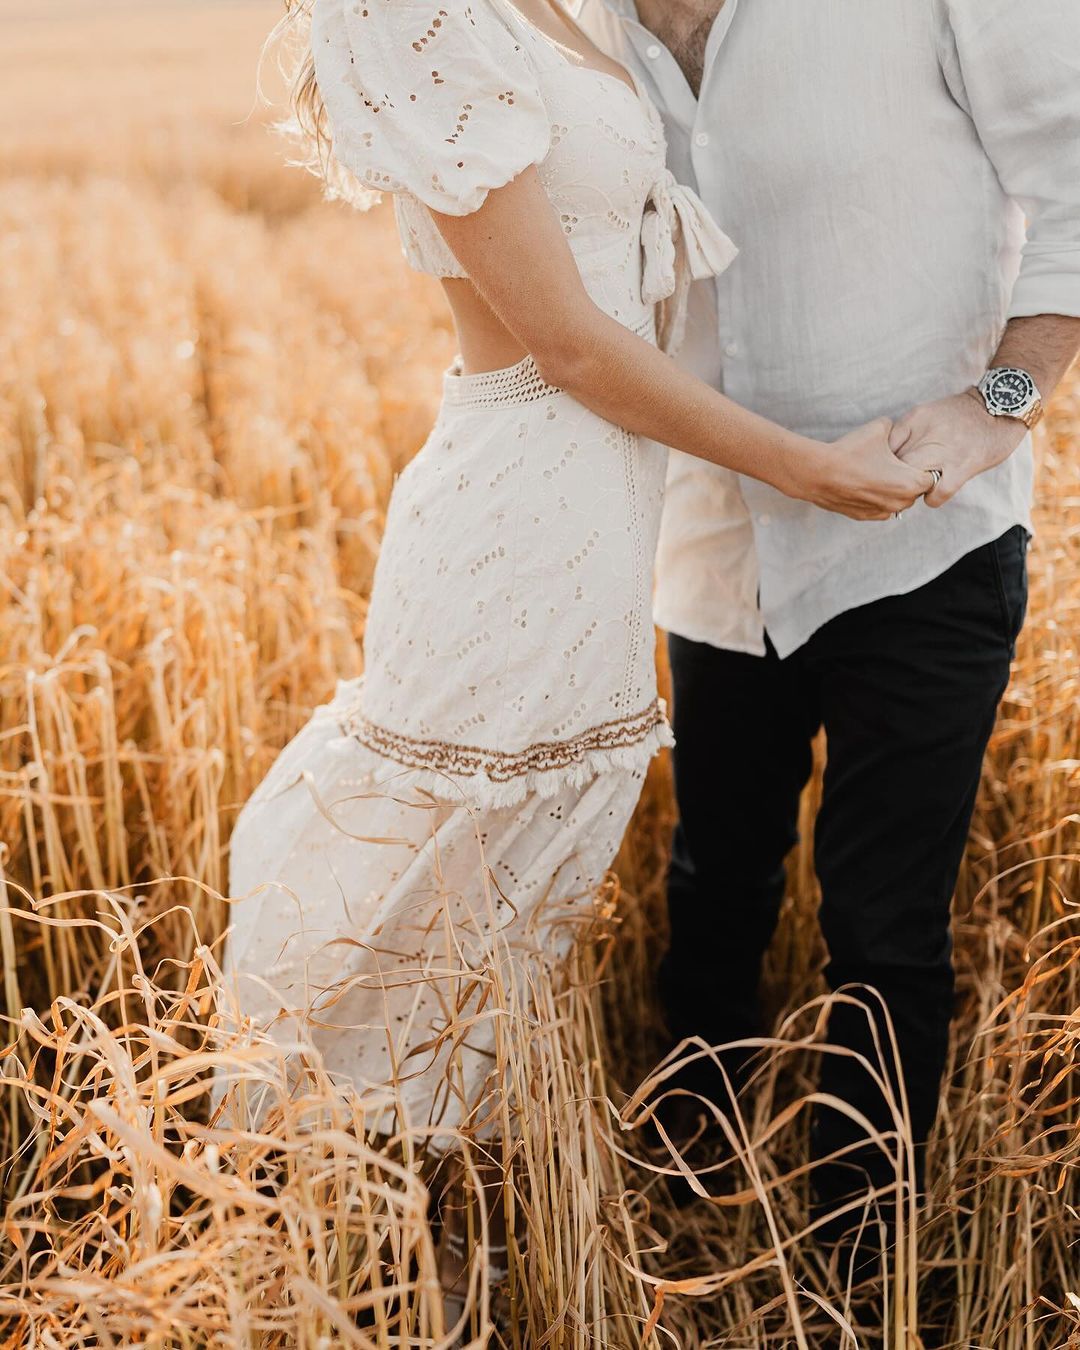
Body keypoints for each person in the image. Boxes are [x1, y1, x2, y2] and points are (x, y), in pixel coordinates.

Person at [211, 0, 936, 1318]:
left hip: (600, 535)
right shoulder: (416, 12)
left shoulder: (567, 3)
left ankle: (435, 1278)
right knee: (420, 913)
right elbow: (569, 341)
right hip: (511, 523)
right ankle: (290, 1246)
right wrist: (805, 469)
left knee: (507, 926)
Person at [575, 0, 1080, 1269]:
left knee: (883, 922)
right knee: (714, 881)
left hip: (924, 538)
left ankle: (861, 1272)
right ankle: (690, 1210)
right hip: (710, 542)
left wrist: (999, 407)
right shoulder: (571, 23)